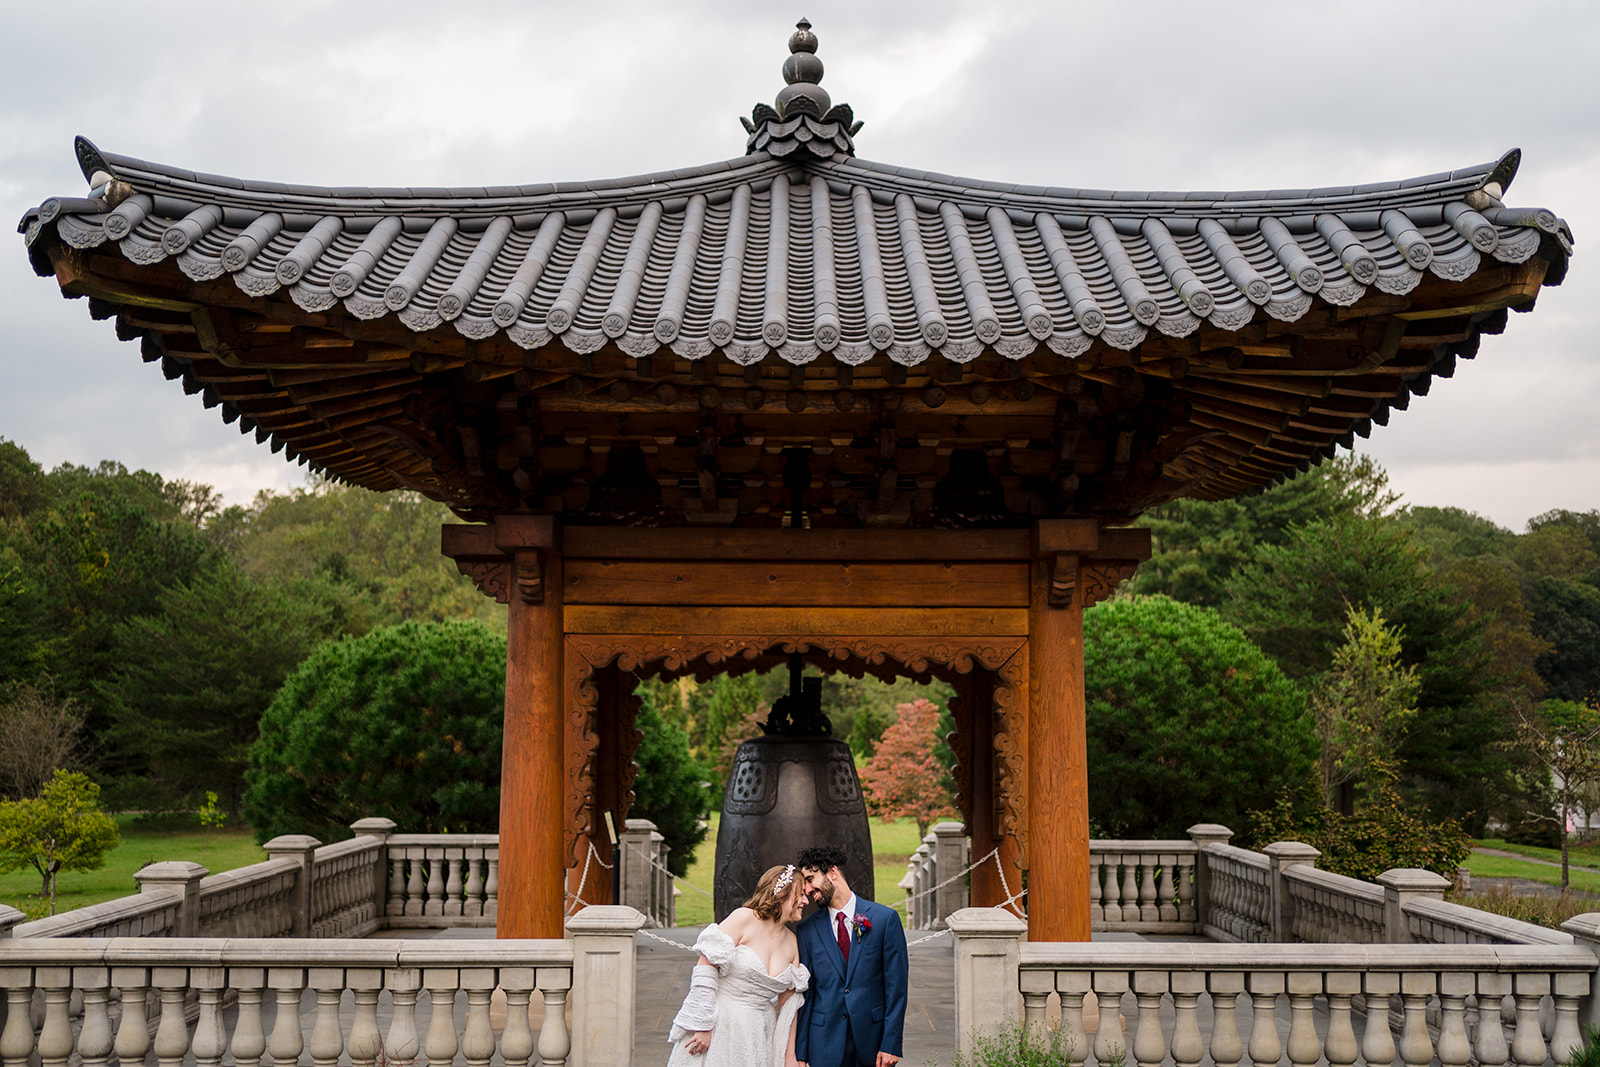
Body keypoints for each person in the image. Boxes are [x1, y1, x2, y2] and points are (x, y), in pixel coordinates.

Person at [667, 863, 811, 1067]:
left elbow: (789, 1007)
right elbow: (706, 966)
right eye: (801, 895)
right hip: (721, 1027)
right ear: (781, 893)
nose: (805, 900)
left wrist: (789, 1058)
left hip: (760, 1035)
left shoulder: (792, 943)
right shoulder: (744, 918)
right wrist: (703, 1024)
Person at [793, 845, 908, 1067]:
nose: (807, 890)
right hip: (823, 1044)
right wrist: (801, 1053)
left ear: (833, 872)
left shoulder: (885, 920)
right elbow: (807, 994)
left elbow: (896, 989)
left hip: (872, 1042)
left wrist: (890, 1044)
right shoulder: (807, 930)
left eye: (810, 879)